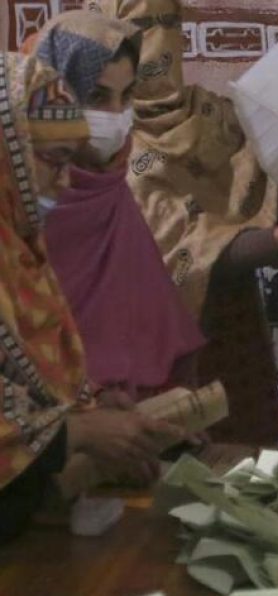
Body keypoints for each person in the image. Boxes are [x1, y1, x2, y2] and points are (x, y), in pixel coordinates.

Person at [87, 0, 278, 446]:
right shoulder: (91, 141)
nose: (153, 43)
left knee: (240, 470)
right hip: (141, 354)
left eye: (162, 25)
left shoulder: (215, 117)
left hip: (231, 330)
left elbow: (274, 191)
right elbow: (176, 253)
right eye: (138, 27)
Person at [0, 53, 180, 542]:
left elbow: (29, 376)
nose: (64, 182)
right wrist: (78, 435)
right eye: (54, 162)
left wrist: (89, 413)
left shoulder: (19, 249)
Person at [27, 10, 206, 400]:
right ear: (52, 92)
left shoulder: (112, 191)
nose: (115, 116)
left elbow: (148, 313)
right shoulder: (21, 197)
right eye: (95, 97)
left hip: (130, 423)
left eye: (126, 97)